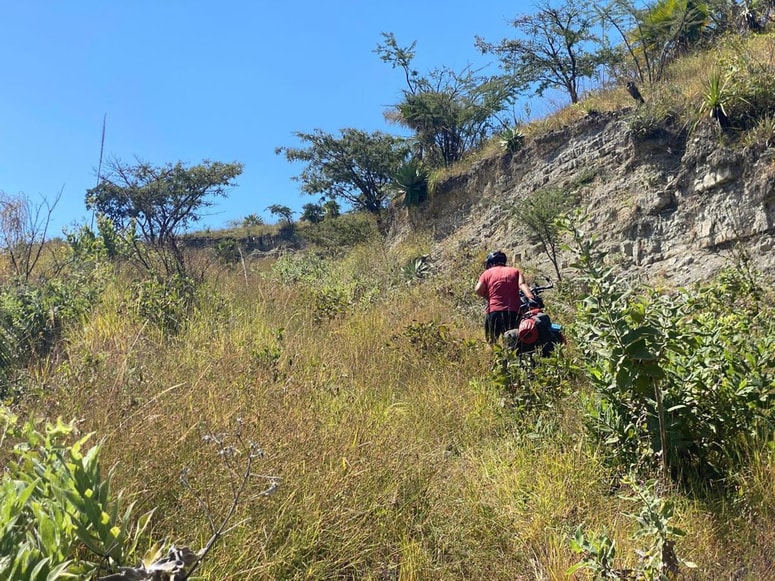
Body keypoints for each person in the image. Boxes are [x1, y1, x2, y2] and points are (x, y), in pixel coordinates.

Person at [475, 250, 537, 344]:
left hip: (493, 312)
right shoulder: (515, 271)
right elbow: (522, 284)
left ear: (490, 263)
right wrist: (531, 298)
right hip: (513, 313)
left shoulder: (487, 273)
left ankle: (492, 358)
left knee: (492, 343)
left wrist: (488, 297)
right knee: (513, 343)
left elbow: (478, 289)